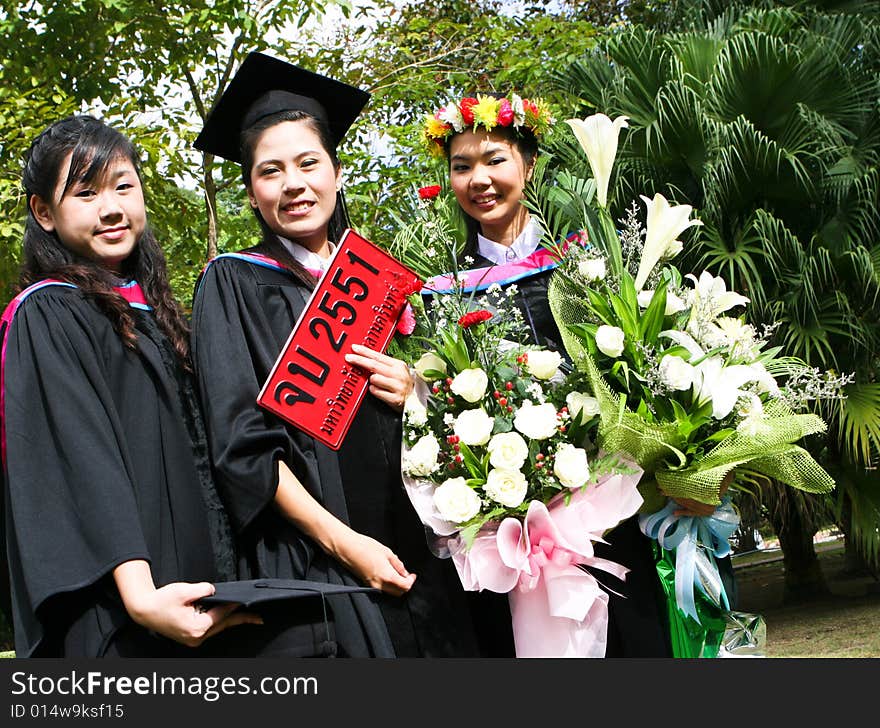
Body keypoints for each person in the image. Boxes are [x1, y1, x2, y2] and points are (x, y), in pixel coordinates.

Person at [190, 52, 479, 658]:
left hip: (426, 553)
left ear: (337, 172)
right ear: (250, 194)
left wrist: (416, 389)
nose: (294, 183)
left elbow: (452, 412)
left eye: (308, 163)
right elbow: (240, 448)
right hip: (322, 572)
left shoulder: (382, 280)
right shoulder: (233, 282)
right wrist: (348, 546)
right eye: (271, 172)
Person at [421, 92, 675, 657]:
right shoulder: (442, 296)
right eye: (461, 167)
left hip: (604, 525)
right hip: (503, 545)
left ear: (528, 165)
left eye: (494, 159)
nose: (478, 179)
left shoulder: (586, 272)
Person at [0, 115, 259, 657]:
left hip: (194, 587)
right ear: (44, 212)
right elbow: (81, 455)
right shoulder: (49, 310)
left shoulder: (152, 309)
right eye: (86, 193)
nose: (112, 207)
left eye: (123, 186)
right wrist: (142, 597)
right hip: (129, 609)